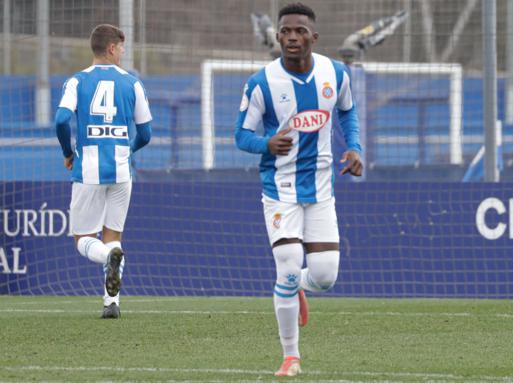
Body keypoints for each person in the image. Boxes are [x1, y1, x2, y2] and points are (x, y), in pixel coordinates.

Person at [235, 3, 362, 376]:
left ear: (314, 37)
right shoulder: (261, 83)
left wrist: (354, 147)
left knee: (325, 276)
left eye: (300, 31)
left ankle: (299, 286)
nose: (292, 37)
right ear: (278, 37)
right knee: (288, 268)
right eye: (286, 31)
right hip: (280, 189)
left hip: (322, 189)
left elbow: (347, 111)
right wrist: (266, 144)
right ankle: (291, 356)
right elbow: (241, 135)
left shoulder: (335, 74)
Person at [55, 24, 152, 319]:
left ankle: (108, 263)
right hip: (123, 172)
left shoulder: (77, 81)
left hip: (89, 170)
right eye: (121, 47)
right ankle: (111, 302)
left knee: (83, 239)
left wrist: (68, 153)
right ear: (111, 48)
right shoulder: (132, 83)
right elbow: (146, 134)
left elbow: (61, 120)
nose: (123, 53)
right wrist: (126, 149)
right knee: (113, 235)